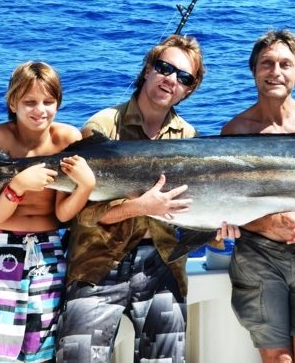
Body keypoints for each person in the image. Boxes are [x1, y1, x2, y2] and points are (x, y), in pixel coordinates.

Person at [55, 34, 238, 363]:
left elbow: (189, 216)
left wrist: (215, 232)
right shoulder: (101, 127)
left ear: (189, 90)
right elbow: (81, 213)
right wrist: (139, 207)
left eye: (183, 77)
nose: (171, 79)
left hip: (162, 266)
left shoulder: (191, 139)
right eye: (165, 67)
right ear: (148, 69)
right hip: (97, 264)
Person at [0, 61, 96, 363]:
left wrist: (85, 187)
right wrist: (17, 186)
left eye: (48, 102)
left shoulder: (67, 139)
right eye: (30, 102)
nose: (40, 110)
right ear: (13, 102)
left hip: (48, 253)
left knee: (41, 347)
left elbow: (62, 215)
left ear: (58, 102)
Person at [222, 29, 295, 363]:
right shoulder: (236, 131)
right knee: (281, 360)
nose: (276, 71)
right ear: (254, 71)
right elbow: (229, 203)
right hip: (258, 257)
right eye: (267, 63)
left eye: (285, 64)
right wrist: (270, 223)